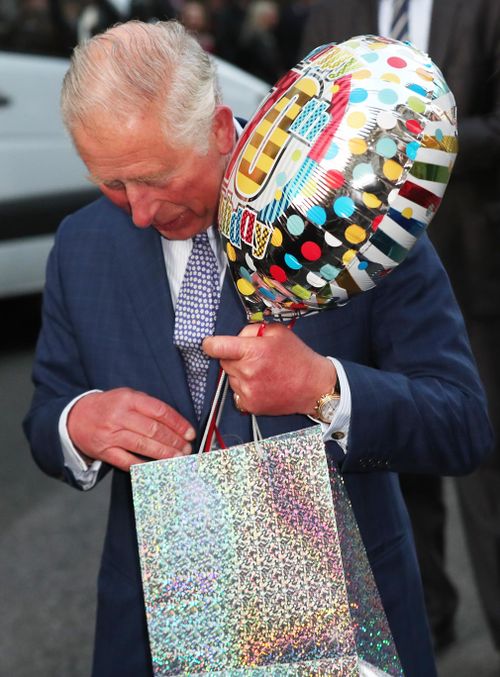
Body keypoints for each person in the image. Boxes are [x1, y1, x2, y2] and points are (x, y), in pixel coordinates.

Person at [23, 19, 492, 677]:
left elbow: (463, 424)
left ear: (220, 131)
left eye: (156, 176)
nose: (138, 210)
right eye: (112, 183)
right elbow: (45, 413)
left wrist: (325, 389)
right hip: (156, 627)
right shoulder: (81, 244)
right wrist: (79, 422)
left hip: (344, 618)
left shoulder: (355, 210)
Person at [301, 0, 500, 654]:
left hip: (473, 270)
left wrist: (409, 140)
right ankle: (428, 618)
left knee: (481, 468)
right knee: (385, 445)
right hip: (354, 284)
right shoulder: (334, 10)